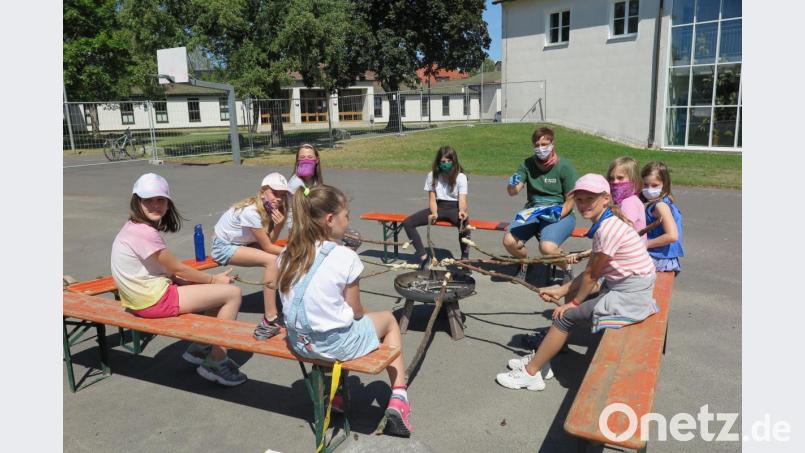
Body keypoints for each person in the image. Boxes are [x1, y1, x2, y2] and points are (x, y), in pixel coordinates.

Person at [495, 174, 657, 391]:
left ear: (605, 199)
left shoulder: (607, 229)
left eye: (590, 199)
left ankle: (531, 373)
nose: (583, 205)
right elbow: (591, 272)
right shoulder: (607, 223)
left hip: (631, 296)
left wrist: (572, 304)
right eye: (579, 200)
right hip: (627, 286)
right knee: (568, 303)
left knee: (564, 317)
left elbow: (591, 275)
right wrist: (560, 290)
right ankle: (542, 362)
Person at [277, 184, 413, 437]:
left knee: (342, 324)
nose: (347, 220)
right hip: (333, 345)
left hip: (299, 342)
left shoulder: (287, 253)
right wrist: (363, 315)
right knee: (388, 321)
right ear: (330, 220)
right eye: (346, 215)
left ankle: (337, 395)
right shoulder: (346, 257)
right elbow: (356, 311)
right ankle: (399, 398)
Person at [110, 173, 247, 386]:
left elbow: (165, 270)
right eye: (148, 200)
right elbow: (175, 267)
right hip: (151, 301)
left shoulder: (133, 227)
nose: (155, 205)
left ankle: (200, 347)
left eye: (160, 200)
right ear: (137, 202)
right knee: (232, 294)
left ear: (167, 203)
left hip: (139, 298)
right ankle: (216, 362)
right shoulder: (144, 233)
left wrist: (203, 282)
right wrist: (213, 281)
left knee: (210, 292)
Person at [211, 172, 289, 340]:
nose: (279, 198)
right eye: (275, 193)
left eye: (282, 195)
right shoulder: (251, 212)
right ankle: (270, 317)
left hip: (242, 243)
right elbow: (268, 247)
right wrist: (295, 251)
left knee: (279, 258)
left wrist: (278, 226)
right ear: (263, 192)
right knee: (273, 261)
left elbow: (268, 242)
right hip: (223, 246)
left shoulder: (272, 209)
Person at [503, 127, 577, 281]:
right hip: (533, 210)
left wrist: (557, 214)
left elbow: (571, 200)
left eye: (544, 144)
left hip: (559, 211)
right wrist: (512, 185)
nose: (540, 148)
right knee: (509, 241)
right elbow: (513, 191)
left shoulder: (565, 166)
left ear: (552, 144)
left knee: (547, 248)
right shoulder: (527, 164)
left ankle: (567, 267)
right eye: (537, 145)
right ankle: (524, 263)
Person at [401, 146, 471, 268]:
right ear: (438, 162)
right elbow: (432, 198)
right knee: (408, 222)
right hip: (438, 207)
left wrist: (462, 211)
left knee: (464, 225)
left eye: (449, 161)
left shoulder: (461, 177)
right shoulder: (432, 175)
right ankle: (423, 256)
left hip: (454, 207)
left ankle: (464, 260)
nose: (446, 164)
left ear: (454, 161)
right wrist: (434, 213)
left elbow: (462, 199)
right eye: (443, 162)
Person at [640, 161, 684, 274]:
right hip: (664, 259)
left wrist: (645, 244)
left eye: (655, 185)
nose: (649, 189)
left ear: (664, 184)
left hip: (659, 259)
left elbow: (672, 236)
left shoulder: (660, 206)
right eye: (645, 185)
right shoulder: (665, 202)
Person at [286, 143, 323, 230]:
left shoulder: (315, 181)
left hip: (313, 222)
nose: (306, 160)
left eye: (310, 157)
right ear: (297, 161)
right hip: (299, 227)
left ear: (316, 160)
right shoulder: (295, 184)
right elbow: (302, 212)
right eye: (302, 157)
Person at [607, 156, 646, 236]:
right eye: (611, 178)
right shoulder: (626, 200)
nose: (615, 182)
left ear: (634, 179)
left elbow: (623, 231)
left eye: (620, 178)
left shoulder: (629, 202)